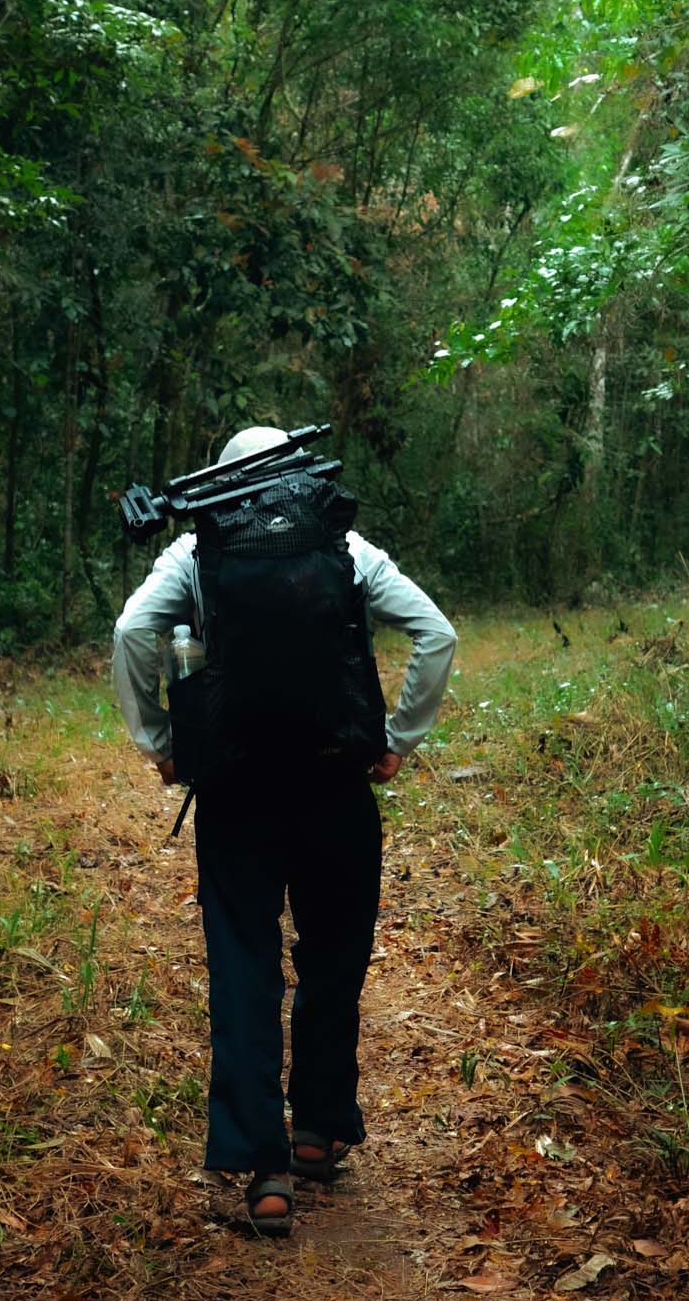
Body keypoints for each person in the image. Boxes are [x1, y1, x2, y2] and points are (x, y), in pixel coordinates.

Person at [111, 426, 456, 1236]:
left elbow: (133, 633)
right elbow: (435, 633)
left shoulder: (199, 549)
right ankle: (316, 1133)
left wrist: (162, 746)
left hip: (236, 789)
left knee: (244, 966)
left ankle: (263, 1168)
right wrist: (398, 741)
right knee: (333, 960)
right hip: (337, 782)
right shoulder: (342, 543)